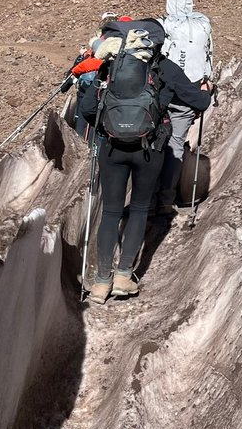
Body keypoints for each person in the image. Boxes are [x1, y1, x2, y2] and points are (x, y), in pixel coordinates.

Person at [78, 21, 212, 305]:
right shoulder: (165, 67)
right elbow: (198, 103)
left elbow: (89, 108)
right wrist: (207, 90)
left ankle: (101, 283)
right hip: (150, 150)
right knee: (139, 208)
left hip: (112, 149)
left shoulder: (111, 67)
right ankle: (125, 276)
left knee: (112, 212)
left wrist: (108, 129)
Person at [156, 0, 214, 216]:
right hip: (189, 93)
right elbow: (209, 56)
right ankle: (166, 198)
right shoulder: (202, 25)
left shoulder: (164, 25)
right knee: (176, 144)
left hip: (163, 91)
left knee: (154, 141)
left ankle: (146, 194)